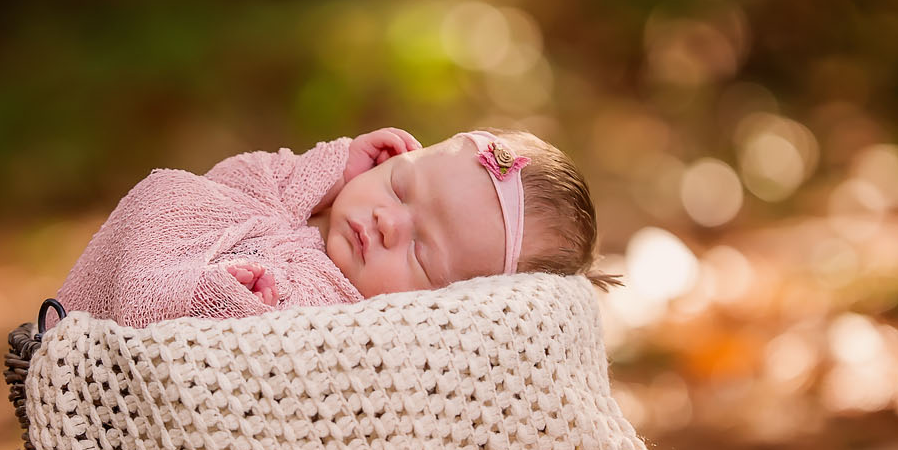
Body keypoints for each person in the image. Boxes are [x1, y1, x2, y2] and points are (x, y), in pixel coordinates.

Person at [55, 125, 600, 329]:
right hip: (126, 281)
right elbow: (234, 183)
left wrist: (231, 305)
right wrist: (331, 168)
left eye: (421, 253)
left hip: (150, 398)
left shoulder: (347, 322)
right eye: (399, 186)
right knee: (168, 193)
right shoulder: (304, 199)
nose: (389, 224)